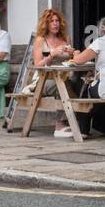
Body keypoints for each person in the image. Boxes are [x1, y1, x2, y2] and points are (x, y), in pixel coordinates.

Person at [29, 8, 76, 137]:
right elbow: (37, 64)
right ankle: (60, 124)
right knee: (60, 85)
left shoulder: (66, 38)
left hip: (65, 76)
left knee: (80, 84)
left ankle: (78, 123)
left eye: (57, 21)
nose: (55, 24)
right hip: (44, 80)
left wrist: (73, 53)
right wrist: (51, 54)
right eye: (51, 21)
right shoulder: (40, 40)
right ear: (46, 24)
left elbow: (72, 60)